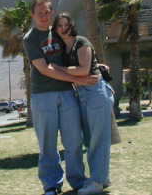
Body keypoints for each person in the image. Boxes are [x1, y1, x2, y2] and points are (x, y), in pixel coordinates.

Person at [22, 0, 99, 195]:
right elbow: (45, 69)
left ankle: (78, 181)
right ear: (33, 15)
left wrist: (96, 67)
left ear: (52, 12)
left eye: (47, 12)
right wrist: (79, 80)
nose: (43, 16)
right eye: (39, 13)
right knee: (47, 143)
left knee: (74, 140)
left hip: (66, 93)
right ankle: (51, 185)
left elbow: (77, 52)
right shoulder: (30, 38)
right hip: (43, 95)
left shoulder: (59, 32)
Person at [50, 12, 114, 195]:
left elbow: (84, 69)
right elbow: (85, 67)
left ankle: (96, 183)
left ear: (72, 25)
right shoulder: (65, 48)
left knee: (97, 139)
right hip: (83, 93)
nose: (63, 29)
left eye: (66, 24)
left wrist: (59, 69)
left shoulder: (81, 42)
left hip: (95, 92)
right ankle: (102, 177)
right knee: (90, 138)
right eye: (59, 26)